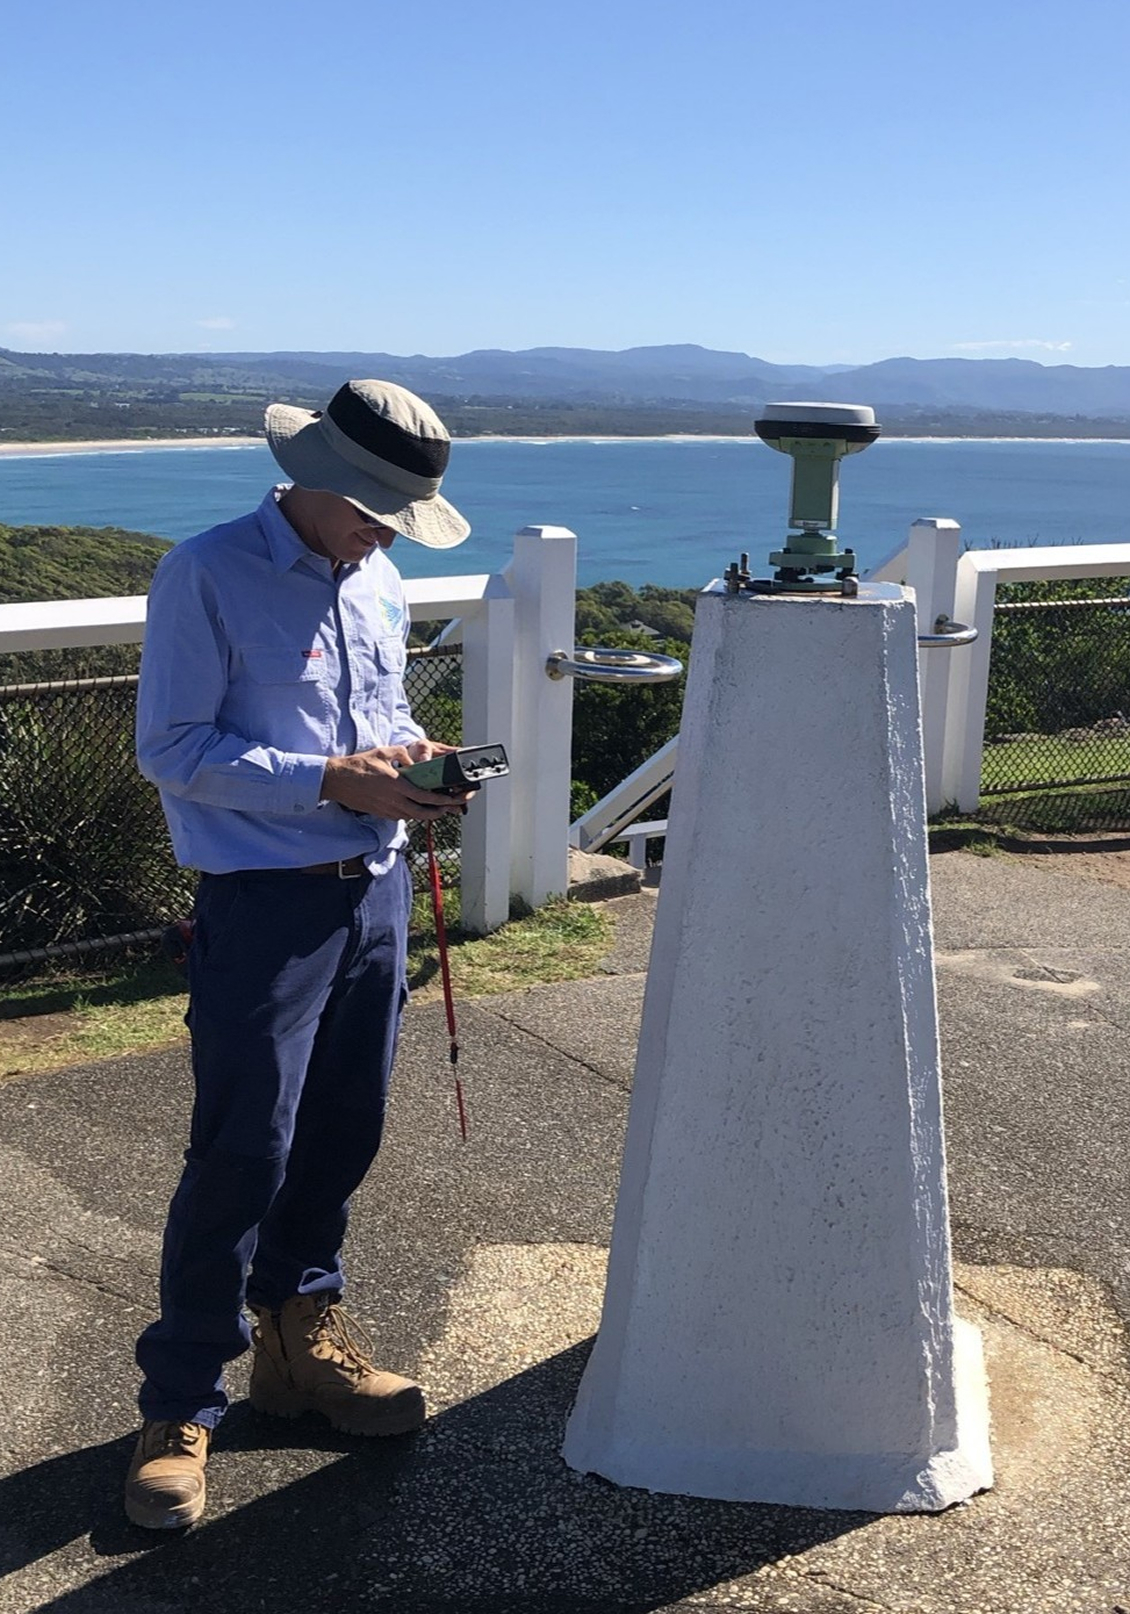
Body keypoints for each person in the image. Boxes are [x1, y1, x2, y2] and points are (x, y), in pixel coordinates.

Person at [125, 379, 474, 1530]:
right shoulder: (206, 573)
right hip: (262, 904)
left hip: (371, 892)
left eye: (397, 513)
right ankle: (181, 1402)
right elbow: (174, 751)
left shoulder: (376, 580)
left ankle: (299, 1347)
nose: (385, 531)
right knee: (240, 1150)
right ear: (316, 476)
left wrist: (413, 764)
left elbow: (366, 730)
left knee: (339, 1133)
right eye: (374, 507)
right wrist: (332, 779)